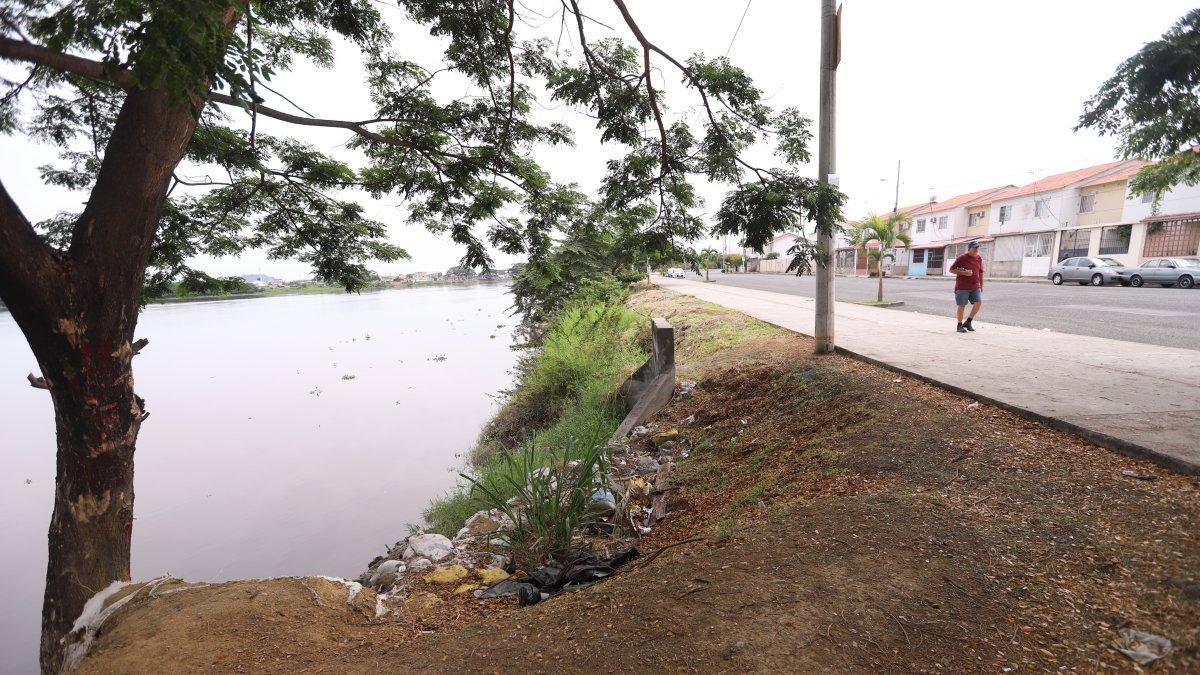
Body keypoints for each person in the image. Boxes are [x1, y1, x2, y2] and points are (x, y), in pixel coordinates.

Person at [950, 241, 984, 333]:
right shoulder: (962, 258)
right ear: (969, 249)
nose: (976, 250)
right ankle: (959, 325)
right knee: (962, 305)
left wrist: (981, 285)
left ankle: (968, 321)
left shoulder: (978, 258)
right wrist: (964, 273)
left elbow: (980, 272)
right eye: (974, 248)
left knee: (978, 302)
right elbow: (951, 270)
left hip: (975, 285)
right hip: (962, 286)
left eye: (977, 248)